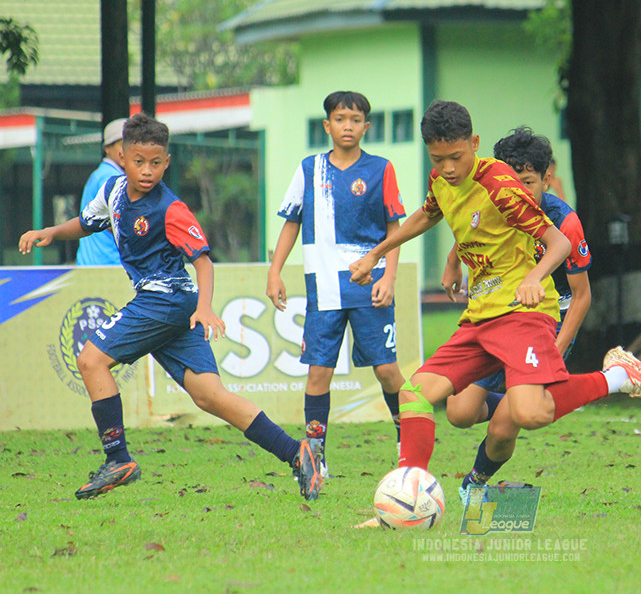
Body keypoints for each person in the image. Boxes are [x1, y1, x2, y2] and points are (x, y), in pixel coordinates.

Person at [349, 100, 641, 482]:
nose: (448, 168)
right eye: (438, 160)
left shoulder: (501, 186)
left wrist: (533, 278)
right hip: (480, 314)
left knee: (530, 413)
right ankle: (408, 495)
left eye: (455, 157)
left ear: (474, 143)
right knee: (417, 395)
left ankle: (618, 376)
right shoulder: (441, 180)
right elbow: (430, 211)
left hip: (523, 315)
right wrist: (376, 253)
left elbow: (558, 244)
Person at [19, 113, 322, 502]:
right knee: (209, 395)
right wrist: (51, 232)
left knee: (91, 361)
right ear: (122, 158)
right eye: (139, 161)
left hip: (165, 301)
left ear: (167, 161)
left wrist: (207, 308)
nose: (148, 171)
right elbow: (87, 222)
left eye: (157, 162)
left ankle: (118, 459)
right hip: (173, 308)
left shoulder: (171, 208)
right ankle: (297, 453)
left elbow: (203, 262)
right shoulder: (111, 191)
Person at [442, 127, 593, 501]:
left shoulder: (565, 223)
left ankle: (475, 483)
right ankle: (507, 400)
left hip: (545, 325)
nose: (520, 192)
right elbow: (468, 229)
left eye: (528, 182)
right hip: (499, 317)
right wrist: (452, 261)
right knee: (458, 412)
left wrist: (555, 350)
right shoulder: (494, 201)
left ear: (547, 179)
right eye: (512, 181)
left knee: (502, 430)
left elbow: (582, 296)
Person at [267, 91, 407, 477]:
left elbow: (395, 229)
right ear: (327, 125)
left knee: (387, 369)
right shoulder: (309, 169)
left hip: (369, 284)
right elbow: (291, 222)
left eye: (355, 119)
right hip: (323, 288)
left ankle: (406, 443)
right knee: (318, 372)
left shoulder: (381, 169)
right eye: (340, 118)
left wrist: (389, 277)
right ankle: (316, 457)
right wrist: (275, 270)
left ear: (366, 126)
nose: (348, 126)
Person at [76, 118, 127, 265]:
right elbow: (118, 224)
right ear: (107, 148)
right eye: (123, 144)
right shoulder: (111, 177)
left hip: (91, 264)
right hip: (109, 264)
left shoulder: (99, 173)